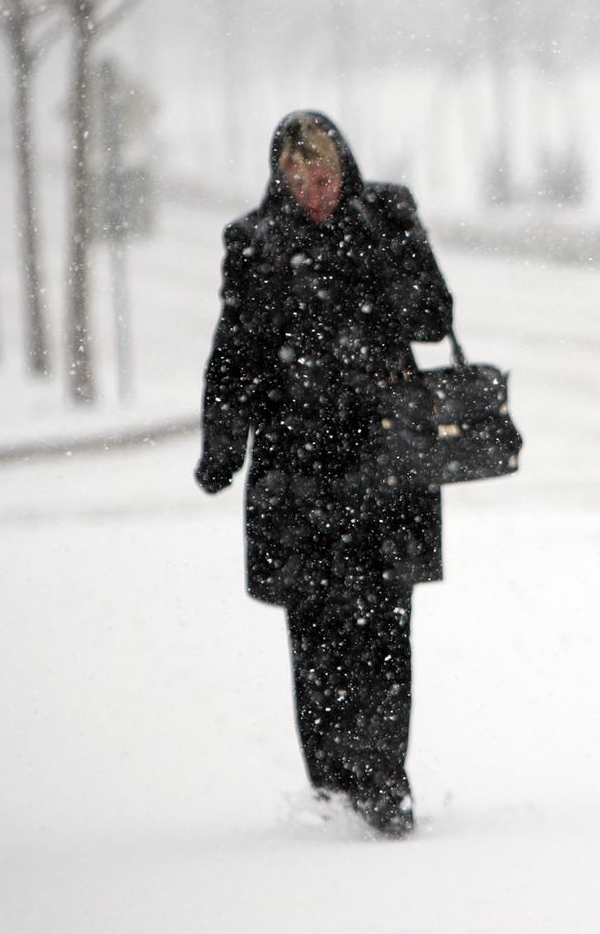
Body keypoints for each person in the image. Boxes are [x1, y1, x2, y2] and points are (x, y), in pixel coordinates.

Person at [195, 110, 452, 838]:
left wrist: (382, 258)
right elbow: (235, 354)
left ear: (348, 168)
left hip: (385, 463)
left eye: (328, 177)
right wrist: (223, 445)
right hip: (297, 470)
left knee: (384, 627)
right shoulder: (255, 243)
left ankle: (384, 784)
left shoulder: (387, 216)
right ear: (279, 178)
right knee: (316, 633)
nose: (316, 193)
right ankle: (334, 790)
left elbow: (433, 317)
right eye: (300, 180)